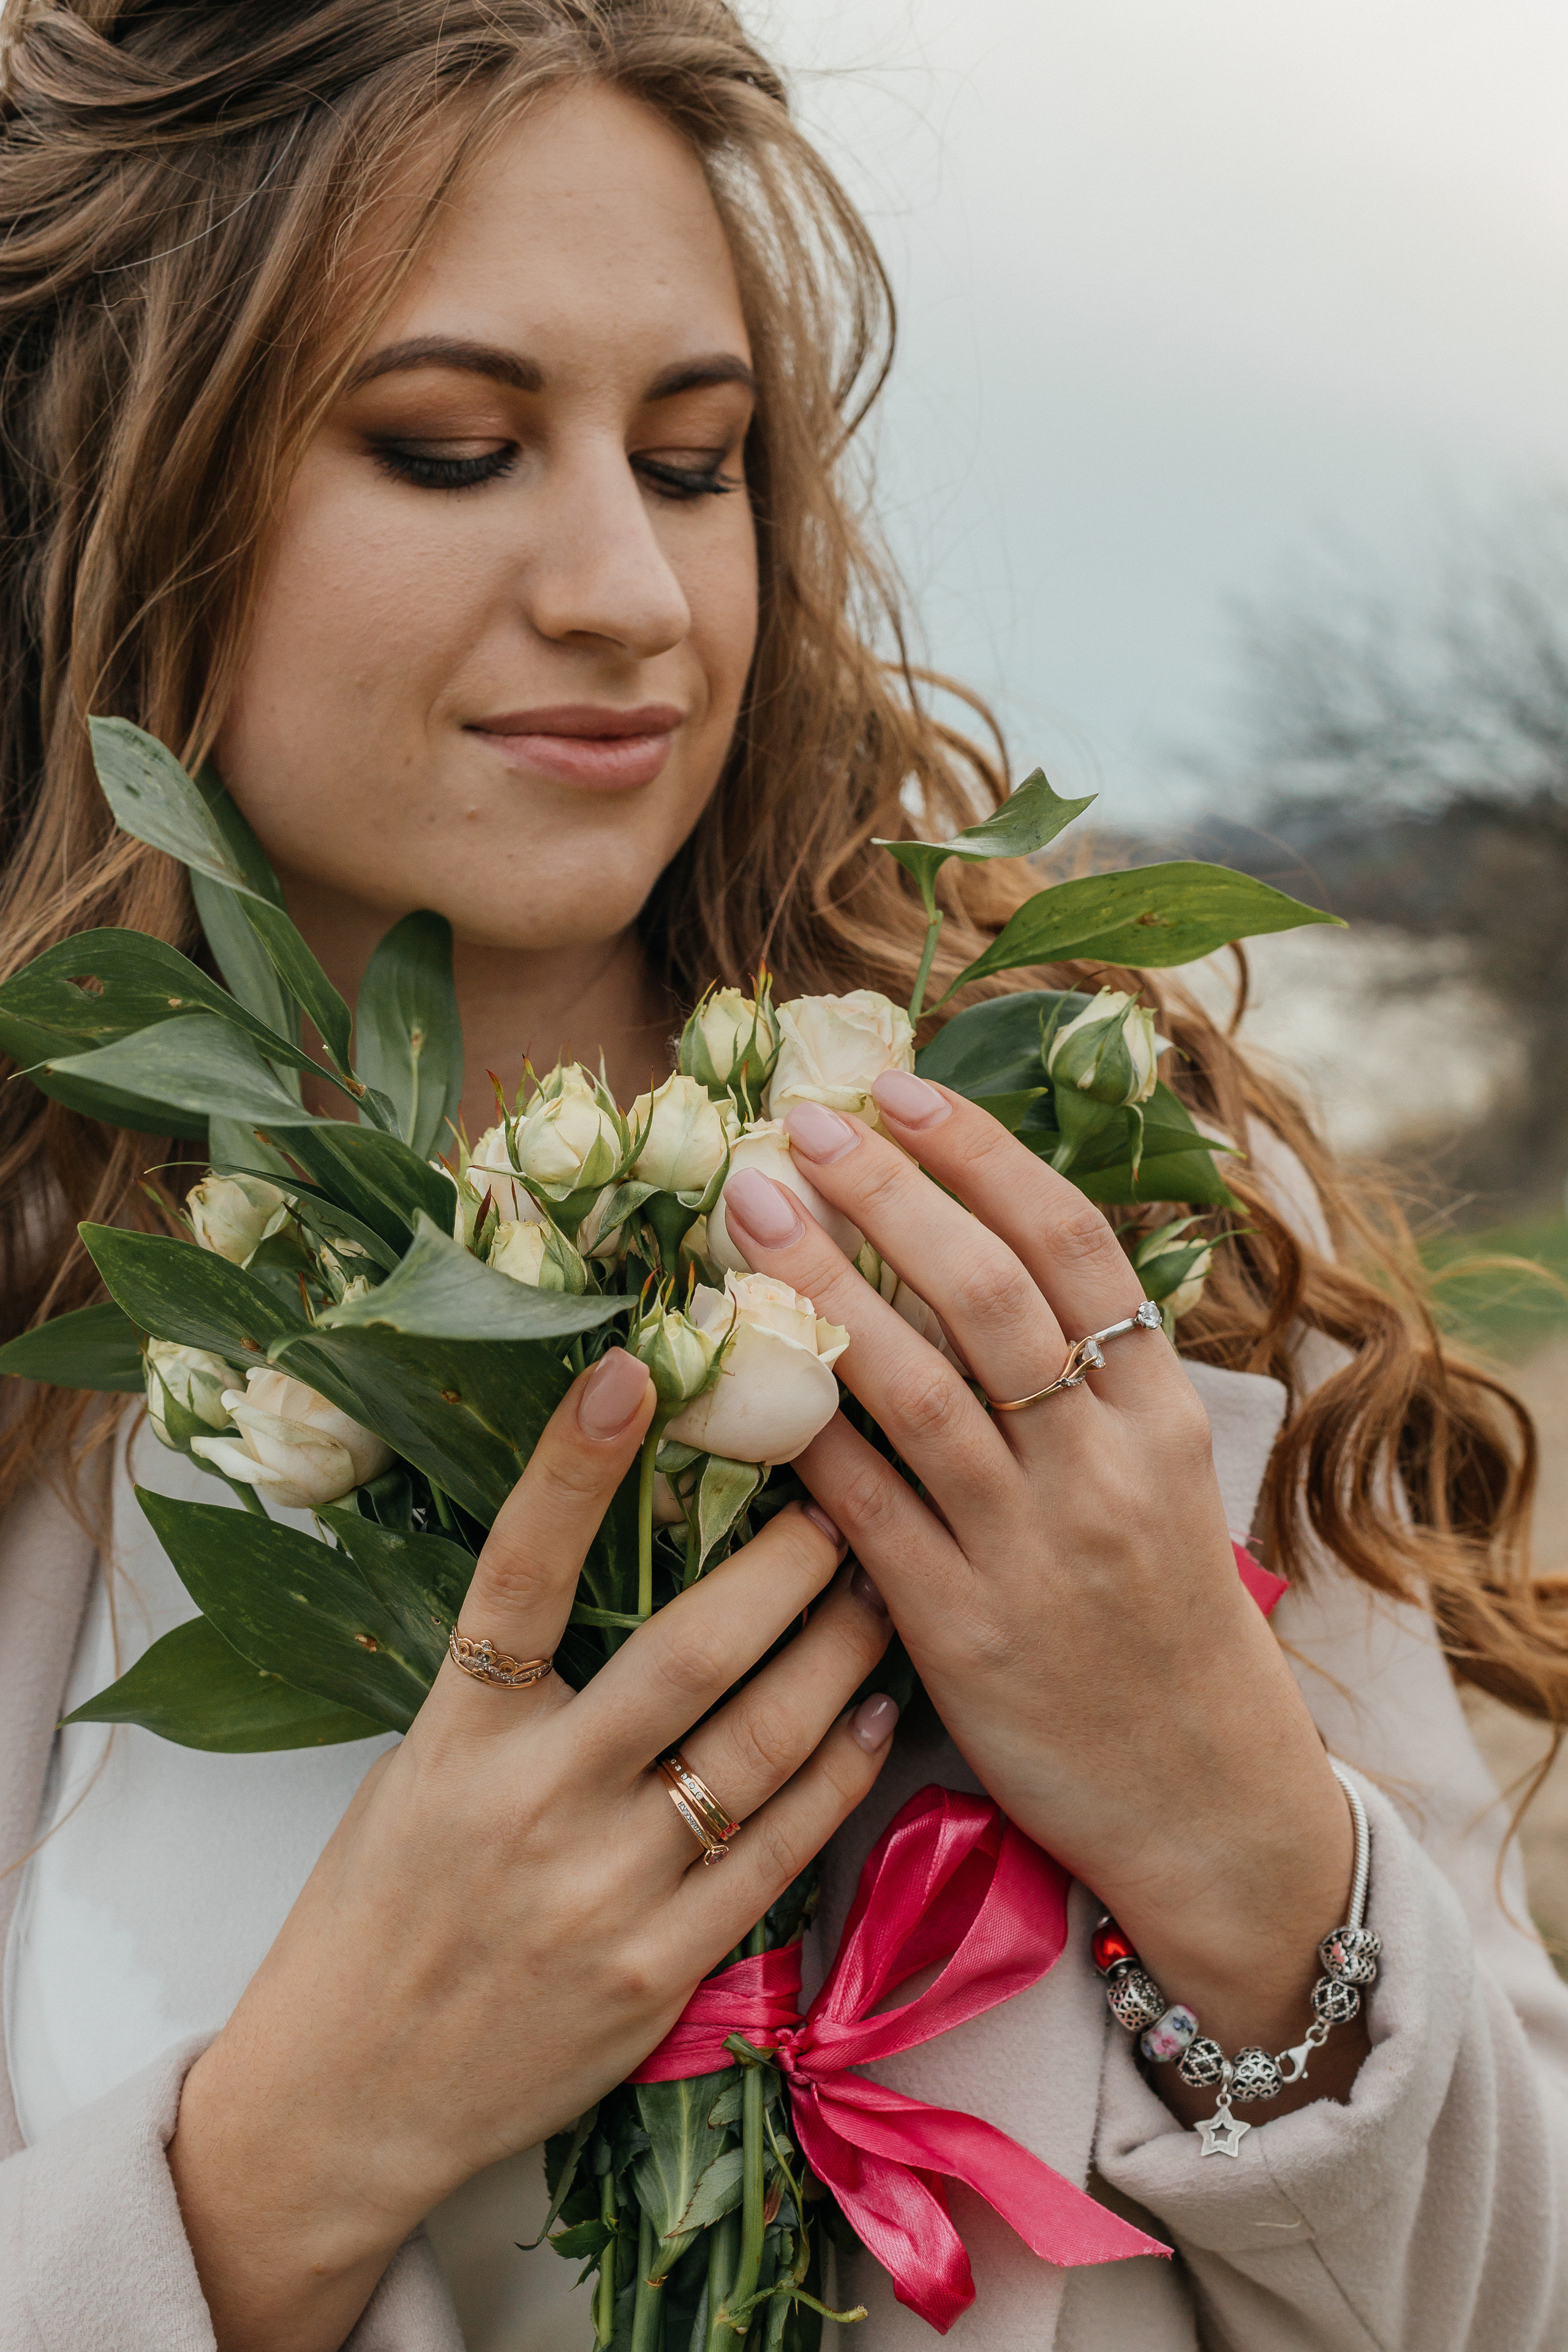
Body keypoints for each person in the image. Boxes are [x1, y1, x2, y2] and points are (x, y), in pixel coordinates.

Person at [0, 5, 1564, 2349]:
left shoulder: (1084, 1236)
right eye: (450, 450)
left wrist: (1229, 1820)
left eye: (701, 458)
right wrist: (274, 2167)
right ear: (114, 499)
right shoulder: (58, 1387)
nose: (632, 590)